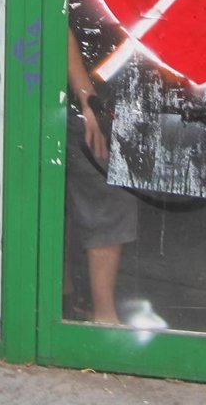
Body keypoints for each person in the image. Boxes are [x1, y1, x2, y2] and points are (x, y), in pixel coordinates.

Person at [65, 28, 138, 324]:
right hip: (93, 104)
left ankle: (70, 299)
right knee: (106, 200)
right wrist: (88, 100)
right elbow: (62, 27)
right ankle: (105, 318)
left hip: (98, 99)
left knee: (74, 200)